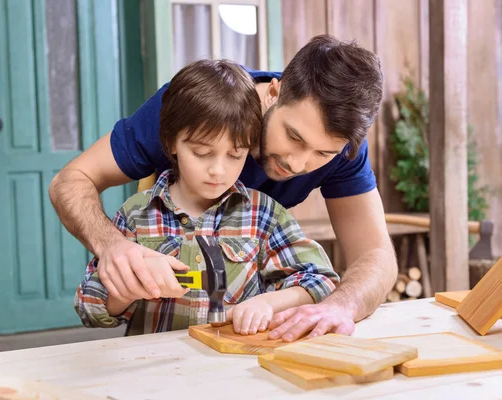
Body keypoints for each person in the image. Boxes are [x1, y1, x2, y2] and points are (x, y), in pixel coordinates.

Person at [50, 34, 397, 342]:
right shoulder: (195, 110)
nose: (298, 164)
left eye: (323, 153)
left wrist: (339, 306)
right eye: (293, 136)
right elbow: (70, 180)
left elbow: (376, 256)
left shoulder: (342, 148)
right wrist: (114, 247)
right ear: (274, 91)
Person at [74, 59, 340, 336]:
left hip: (234, 370)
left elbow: (321, 280)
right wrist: (128, 288)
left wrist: (269, 303)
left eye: (236, 155)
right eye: (202, 153)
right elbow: (89, 307)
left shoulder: (264, 216)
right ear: (171, 143)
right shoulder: (137, 215)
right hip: (155, 372)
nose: (218, 170)